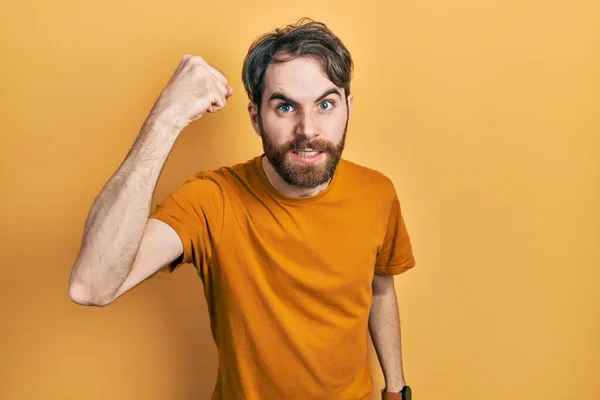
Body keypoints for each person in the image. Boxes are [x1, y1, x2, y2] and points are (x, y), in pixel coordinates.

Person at [69, 18, 416, 400]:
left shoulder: (377, 193)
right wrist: (165, 120)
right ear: (256, 117)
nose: (308, 129)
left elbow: (380, 286)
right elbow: (91, 286)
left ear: (348, 106)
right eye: (285, 106)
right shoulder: (212, 200)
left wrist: (396, 390)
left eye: (325, 104)